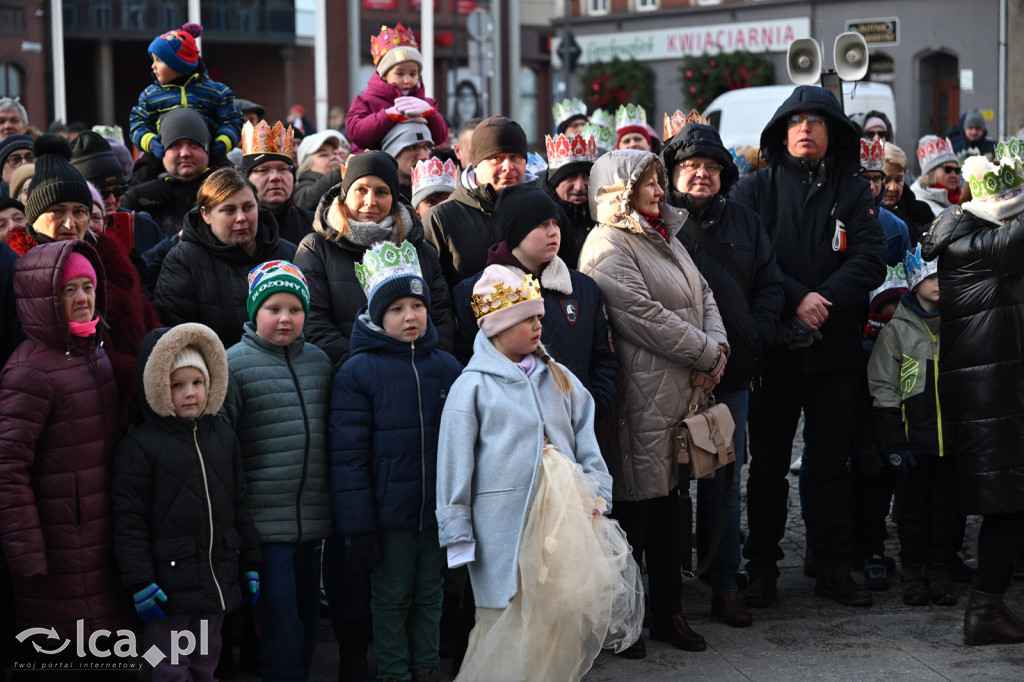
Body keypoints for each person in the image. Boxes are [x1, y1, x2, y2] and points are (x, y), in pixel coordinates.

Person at [437, 264, 641, 681]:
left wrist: (597, 492)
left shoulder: (558, 377)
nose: (537, 326)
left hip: (564, 523)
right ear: (497, 327)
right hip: (504, 527)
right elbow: (454, 460)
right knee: (508, 619)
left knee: (555, 616)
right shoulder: (472, 387)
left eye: (538, 319)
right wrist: (457, 529)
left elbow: (586, 438)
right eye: (526, 319)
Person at [730, 85, 886, 609]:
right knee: (769, 465)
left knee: (829, 464)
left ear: (832, 131)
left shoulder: (854, 190)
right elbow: (751, 259)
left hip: (836, 350)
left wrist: (825, 298)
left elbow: (870, 258)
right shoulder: (754, 189)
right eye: (795, 120)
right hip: (774, 348)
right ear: (781, 131)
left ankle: (832, 565)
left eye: (816, 120)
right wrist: (798, 298)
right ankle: (763, 567)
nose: (805, 128)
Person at [578, 149, 729, 658]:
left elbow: (705, 295)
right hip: (640, 399)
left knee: (670, 511)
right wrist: (707, 351)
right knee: (634, 513)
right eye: (649, 183)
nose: (661, 191)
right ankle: (626, 620)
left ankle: (670, 612)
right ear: (620, 189)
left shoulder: (664, 235)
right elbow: (641, 316)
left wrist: (719, 347)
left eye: (660, 182)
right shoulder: (606, 245)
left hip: (681, 393)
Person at [661, 121, 785, 628]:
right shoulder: (657, 223)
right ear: (672, 174)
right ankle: (665, 586)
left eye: (711, 168)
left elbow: (771, 285)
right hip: (669, 375)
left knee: (722, 478)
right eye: (691, 167)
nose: (701, 176)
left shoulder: (745, 222)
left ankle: (726, 583)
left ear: (725, 175)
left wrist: (756, 334)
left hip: (728, 377)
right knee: (665, 484)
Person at [332, 242, 462, 682]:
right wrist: (359, 526)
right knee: (390, 598)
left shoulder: (446, 367)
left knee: (431, 593)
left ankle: (425, 667)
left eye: (418, 305)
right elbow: (349, 458)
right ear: (376, 315)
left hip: (436, 512)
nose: (411, 316)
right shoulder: (357, 371)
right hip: (388, 518)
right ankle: (392, 671)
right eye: (398, 309)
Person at [112, 322, 261, 681]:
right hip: (168, 585)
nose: (190, 393)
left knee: (207, 659)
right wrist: (140, 581)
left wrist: (251, 563)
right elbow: (129, 522)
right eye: (177, 385)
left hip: (216, 577)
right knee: (168, 664)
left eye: (197, 382)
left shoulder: (223, 436)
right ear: (158, 388)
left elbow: (240, 503)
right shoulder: (140, 447)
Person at [0, 240, 129, 650]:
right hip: (57, 547)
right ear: (43, 298)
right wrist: (26, 552)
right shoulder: (29, 369)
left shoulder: (94, 352)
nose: (82, 298)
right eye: (68, 289)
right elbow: (8, 469)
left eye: (88, 287)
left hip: (100, 535)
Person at [921, 148, 1024, 645]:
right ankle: (986, 607)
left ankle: (989, 605)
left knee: (1011, 501)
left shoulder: (969, 238)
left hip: (997, 392)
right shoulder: (977, 246)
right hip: (993, 399)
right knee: (1008, 503)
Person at [221, 262, 333, 681]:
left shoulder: (320, 363)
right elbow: (224, 450)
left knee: (307, 620)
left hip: (313, 521)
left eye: (294, 309)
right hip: (265, 526)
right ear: (254, 312)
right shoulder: (234, 366)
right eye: (273, 308)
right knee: (279, 620)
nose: (285, 318)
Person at [5, 134, 160, 427]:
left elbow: (143, 325)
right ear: (34, 217)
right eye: (57, 211)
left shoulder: (111, 261)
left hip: (124, 414)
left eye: (79, 212)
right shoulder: (16, 269)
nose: (70, 223)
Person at [452, 182, 617, 416]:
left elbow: (604, 359)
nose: (553, 232)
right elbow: (467, 362)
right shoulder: (476, 291)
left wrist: (594, 408)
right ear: (516, 231)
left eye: (555, 223)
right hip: (511, 429)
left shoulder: (583, 288)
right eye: (541, 224)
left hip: (579, 425)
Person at [293, 151, 453, 370]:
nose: (370, 201)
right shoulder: (316, 248)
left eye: (381, 192)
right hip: (349, 376)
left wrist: (426, 366)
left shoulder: (420, 250)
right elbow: (314, 323)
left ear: (393, 197)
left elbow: (441, 318)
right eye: (361, 190)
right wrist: (362, 367)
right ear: (346, 192)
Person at [867, 245, 957, 607]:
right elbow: (883, 387)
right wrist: (893, 444)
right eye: (931, 276)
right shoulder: (897, 331)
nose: (938, 284)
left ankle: (941, 569)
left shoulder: (958, 325)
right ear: (915, 280)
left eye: (943, 276)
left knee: (948, 511)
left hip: (951, 439)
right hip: (912, 439)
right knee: (912, 511)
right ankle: (913, 571)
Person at [424, 116, 574, 289]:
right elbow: (434, 292)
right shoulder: (441, 219)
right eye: (497, 157)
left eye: (515, 157)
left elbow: (570, 278)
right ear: (477, 163)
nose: (508, 166)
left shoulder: (551, 214)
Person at [153, 167, 297, 347]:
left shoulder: (287, 253)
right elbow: (177, 335)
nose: (241, 218)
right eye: (229, 210)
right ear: (206, 215)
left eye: (248, 207)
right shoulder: (184, 259)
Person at [129, 23, 242, 167]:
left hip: (208, 155)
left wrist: (223, 141)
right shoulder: (150, 95)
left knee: (228, 182)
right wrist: (150, 142)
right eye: (153, 60)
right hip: (162, 156)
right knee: (141, 176)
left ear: (179, 64)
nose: (153, 66)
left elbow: (232, 121)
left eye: (159, 60)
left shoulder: (217, 93)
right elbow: (138, 124)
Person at [346, 23, 447, 154]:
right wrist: (388, 116)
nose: (407, 80)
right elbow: (356, 134)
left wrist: (431, 114)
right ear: (384, 74)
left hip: (416, 166)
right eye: (400, 73)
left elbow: (439, 138)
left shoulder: (427, 104)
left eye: (413, 74)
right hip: (375, 168)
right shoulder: (365, 101)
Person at [123, 108, 218, 238]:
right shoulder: (137, 194)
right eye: (175, 145)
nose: (185, 153)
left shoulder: (229, 189)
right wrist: (134, 198)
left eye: (194, 144)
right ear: (162, 151)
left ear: (208, 149)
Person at [71, 130, 164, 256]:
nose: (112, 199)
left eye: (119, 190)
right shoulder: (69, 232)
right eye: (102, 193)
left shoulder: (146, 228)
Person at [240, 120, 315, 246]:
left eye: (283, 169)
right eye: (263, 170)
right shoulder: (239, 226)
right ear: (247, 178)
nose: (275, 177)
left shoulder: (315, 225)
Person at [542, 132, 598, 268]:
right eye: (571, 177)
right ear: (554, 183)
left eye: (586, 176)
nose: (579, 187)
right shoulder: (535, 219)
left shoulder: (604, 217)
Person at [859, 138, 912, 265]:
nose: (892, 188)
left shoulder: (897, 227)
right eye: (865, 179)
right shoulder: (835, 218)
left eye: (877, 178)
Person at [881, 143, 936, 244]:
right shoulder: (864, 216)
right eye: (886, 180)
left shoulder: (922, 213)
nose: (893, 188)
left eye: (898, 180)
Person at [292, 129, 348, 212]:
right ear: (307, 165)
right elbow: (309, 199)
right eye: (324, 155)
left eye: (335, 153)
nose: (334, 157)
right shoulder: (300, 189)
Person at [381, 121, 434, 202]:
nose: (423, 156)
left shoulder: (437, 195)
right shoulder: (377, 197)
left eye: (426, 146)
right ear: (393, 152)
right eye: (413, 147)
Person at [910, 135, 962, 217]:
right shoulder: (917, 203)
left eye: (957, 170)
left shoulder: (964, 200)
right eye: (948, 169)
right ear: (931, 173)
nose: (954, 175)